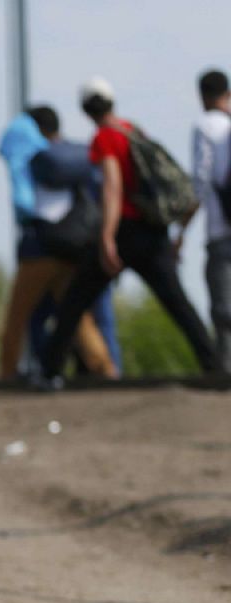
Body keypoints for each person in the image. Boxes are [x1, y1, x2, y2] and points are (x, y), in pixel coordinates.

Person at [40, 78, 222, 384]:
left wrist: (107, 237)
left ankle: (49, 370)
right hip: (154, 232)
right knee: (178, 302)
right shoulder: (131, 129)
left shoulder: (105, 137)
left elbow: (113, 188)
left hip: (126, 230)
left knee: (75, 300)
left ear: (86, 111)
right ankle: (214, 366)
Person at [0, 106, 118, 382]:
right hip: (73, 248)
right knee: (77, 316)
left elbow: (25, 204)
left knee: (17, 315)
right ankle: (105, 368)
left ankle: (7, 372)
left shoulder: (37, 160)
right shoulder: (73, 159)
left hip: (40, 250)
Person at [193, 68, 231, 369]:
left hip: (220, 230)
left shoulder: (205, 126)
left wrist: (180, 229)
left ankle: (225, 368)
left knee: (222, 305)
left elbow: (201, 181)